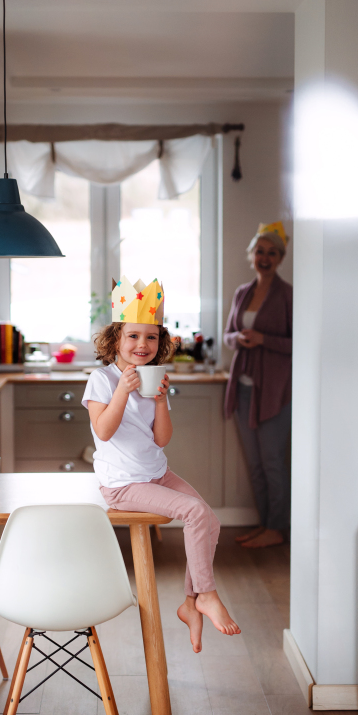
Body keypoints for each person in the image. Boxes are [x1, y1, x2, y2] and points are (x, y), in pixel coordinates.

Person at [83, 276, 240, 653]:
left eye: (151, 337)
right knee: (192, 511)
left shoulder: (154, 380)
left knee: (209, 519)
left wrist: (157, 401)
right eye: (133, 336)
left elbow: (162, 439)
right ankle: (206, 593)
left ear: (161, 343)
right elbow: (104, 431)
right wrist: (123, 389)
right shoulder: (102, 380)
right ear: (115, 340)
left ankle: (190, 604)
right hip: (122, 485)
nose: (143, 345)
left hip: (156, 473)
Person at [224, 222, 292, 549]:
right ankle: (265, 524)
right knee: (255, 464)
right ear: (251, 255)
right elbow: (227, 336)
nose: (265, 258)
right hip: (243, 388)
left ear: (281, 257)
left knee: (273, 463)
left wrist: (264, 339)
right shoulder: (242, 292)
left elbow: (299, 342)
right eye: (260, 251)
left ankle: (277, 528)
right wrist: (239, 338)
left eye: (272, 252)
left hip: (274, 392)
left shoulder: (289, 295)